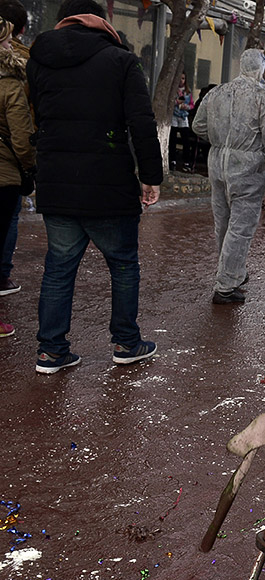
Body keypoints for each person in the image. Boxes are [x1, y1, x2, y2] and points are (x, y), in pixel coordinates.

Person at [28, 0, 162, 374]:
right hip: (109, 182)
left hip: (56, 181)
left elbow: (38, 116)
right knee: (123, 265)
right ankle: (126, 343)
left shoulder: (39, 60)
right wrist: (150, 176)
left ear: (64, 22)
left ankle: (51, 351)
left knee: (58, 268)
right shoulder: (121, 61)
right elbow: (142, 122)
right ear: (101, 22)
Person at [192, 49, 265, 305]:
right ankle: (226, 285)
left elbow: (197, 125)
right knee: (241, 227)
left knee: (223, 222)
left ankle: (232, 272)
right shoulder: (263, 99)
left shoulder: (216, 93)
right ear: (261, 69)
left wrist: (221, 141)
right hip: (247, 167)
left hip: (217, 164)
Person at [0, 16, 31, 339]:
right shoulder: (10, 84)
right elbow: (21, 138)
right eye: (7, 41)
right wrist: (30, 166)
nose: (12, 46)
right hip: (4, 174)